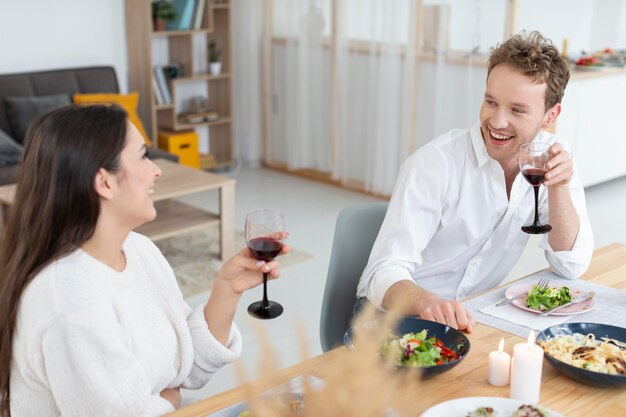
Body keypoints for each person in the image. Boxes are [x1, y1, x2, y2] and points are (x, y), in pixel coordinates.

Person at [0, 104, 288, 417]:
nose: (157, 170)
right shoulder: (68, 301)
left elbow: (186, 369)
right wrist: (172, 400)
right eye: (143, 155)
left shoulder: (138, 250)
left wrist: (227, 289)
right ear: (105, 182)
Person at [356, 31, 594, 333]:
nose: (497, 121)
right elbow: (380, 273)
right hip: (393, 320)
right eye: (491, 102)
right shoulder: (434, 164)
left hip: (470, 320)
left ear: (550, 115)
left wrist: (559, 187)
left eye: (517, 110)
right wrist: (428, 303)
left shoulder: (554, 156)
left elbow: (570, 267)